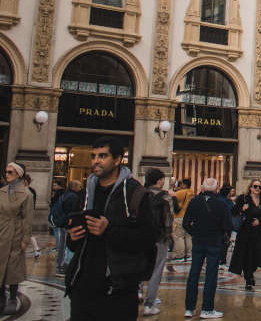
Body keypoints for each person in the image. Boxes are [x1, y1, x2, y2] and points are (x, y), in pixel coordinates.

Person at [65, 137, 157, 320]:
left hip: (118, 289)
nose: (96, 161)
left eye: (102, 156)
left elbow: (147, 238)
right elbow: (74, 245)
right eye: (93, 156)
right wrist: (72, 238)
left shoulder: (134, 194)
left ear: (117, 160)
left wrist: (109, 230)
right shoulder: (85, 193)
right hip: (83, 285)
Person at [0, 162, 33, 314]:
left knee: (12, 268)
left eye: (10, 172)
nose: (7, 174)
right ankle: (0, 297)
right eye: (6, 172)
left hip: (15, 232)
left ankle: (12, 298)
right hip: (0, 231)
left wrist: (25, 238)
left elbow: (28, 218)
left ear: (19, 174)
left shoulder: (26, 194)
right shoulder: (1, 192)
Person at [183, 177, 232, 319]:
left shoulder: (194, 202)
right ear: (216, 189)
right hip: (214, 242)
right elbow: (228, 226)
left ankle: (189, 309)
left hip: (198, 241)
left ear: (202, 188)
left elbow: (186, 223)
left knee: (194, 274)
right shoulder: (221, 204)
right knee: (211, 275)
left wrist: (195, 233)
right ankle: (207, 309)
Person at [229, 179, 261, 290]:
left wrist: (260, 221)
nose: (257, 189)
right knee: (247, 255)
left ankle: (252, 271)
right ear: (250, 187)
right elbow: (233, 211)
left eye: (259, 187)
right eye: (255, 186)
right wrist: (241, 209)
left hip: (260, 232)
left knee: (258, 254)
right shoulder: (243, 198)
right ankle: (248, 278)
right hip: (246, 232)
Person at [142, 168, 174, 316]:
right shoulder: (165, 197)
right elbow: (168, 219)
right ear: (159, 180)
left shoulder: (140, 193)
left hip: (141, 237)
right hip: (159, 238)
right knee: (156, 270)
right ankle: (149, 304)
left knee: (139, 264)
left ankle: (137, 292)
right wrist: (168, 237)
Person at [54, 179, 83, 275]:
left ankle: (60, 263)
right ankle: (64, 265)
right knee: (67, 245)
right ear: (75, 187)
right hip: (68, 223)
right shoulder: (73, 197)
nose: (80, 188)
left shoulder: (66, 194)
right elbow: (72, 211)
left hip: (63, 223)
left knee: (63, 244)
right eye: (79, 186)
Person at [172, 178, 194, 260]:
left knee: (178, 236)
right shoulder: (192, 192)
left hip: (180, 216)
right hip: (189, 217)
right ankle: (189, 253)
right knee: (188, 236)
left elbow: (171, 196)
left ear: (184, 184)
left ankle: (180, 253)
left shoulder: (180, 192)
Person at [22, 174, 41, 258]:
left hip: (25, 214)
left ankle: (36, 249)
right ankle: (36, 249)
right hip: (25, 213)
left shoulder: (29, 191)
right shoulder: (29, 190)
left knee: (28, 232)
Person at [217, 184, 235, 267]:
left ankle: (219, 258)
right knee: (225, 242)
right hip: (226, 224)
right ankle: (222, 259)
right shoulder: (228, 202)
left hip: (217, 224)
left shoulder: (217, 199)